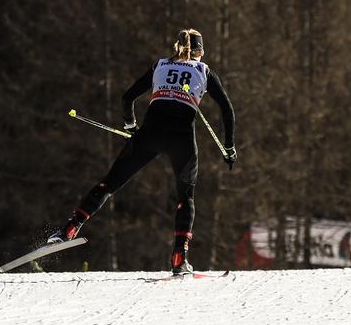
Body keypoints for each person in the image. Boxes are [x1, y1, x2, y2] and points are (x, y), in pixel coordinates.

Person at [46, 29, 237, 275]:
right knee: (185, 197)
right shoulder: (203, 70)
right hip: (181, 138)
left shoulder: (160, 65)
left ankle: (70, 228)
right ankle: (179, 257)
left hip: (150, 134)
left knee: (109, 184)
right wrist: (229, 148)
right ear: (200, 52)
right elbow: (227, 110)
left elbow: (127, 98)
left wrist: (131, 126)